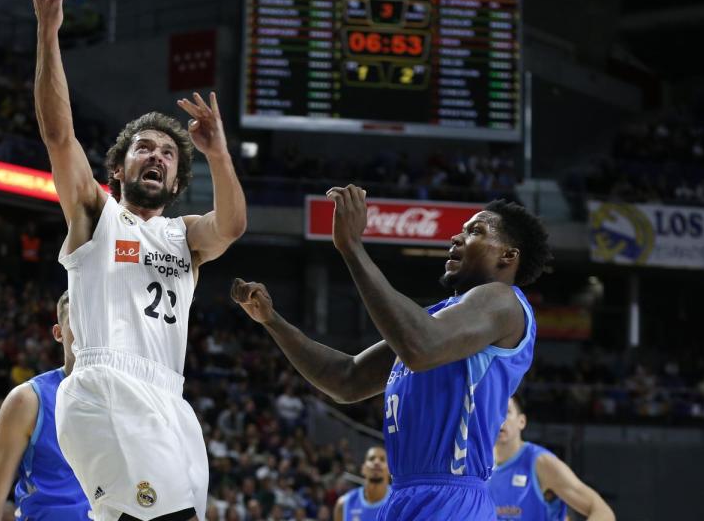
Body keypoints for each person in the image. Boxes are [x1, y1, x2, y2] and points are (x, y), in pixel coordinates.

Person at [21, 0, 247, 521]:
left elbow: (232, 226)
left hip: (169, 401)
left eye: (169, 153)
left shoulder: (184, 237)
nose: (158, 155)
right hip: (105, 386)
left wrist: (218, 153)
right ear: (118, 169)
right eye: (145, 147)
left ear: (175, 180)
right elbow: (57, 133)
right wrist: (49, 28)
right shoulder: (97, 215)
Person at [232, 190, 551, 520]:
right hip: (403, 496)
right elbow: (347, 379)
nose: (457, 237)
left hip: (452, 499)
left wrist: (352, 248)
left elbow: (420, 347)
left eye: (475, 231)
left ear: (507, 256)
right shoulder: (438, 320)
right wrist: (273, 321)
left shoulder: (503, 301)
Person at [0, 291, 90, 521]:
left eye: (93, 319)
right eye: (76, 320)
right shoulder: (28, 400)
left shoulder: (125, 401)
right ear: (58, 333)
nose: (86, 328)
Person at [490, 397, 615, 521]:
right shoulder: (476, 466)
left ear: (521, 421)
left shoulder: (541, 463)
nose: (500, 419)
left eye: (506, 412)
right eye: (493, 412)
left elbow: (602, 511)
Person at [334, 447, 390, 521]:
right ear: (363, 468)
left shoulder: (400, 502)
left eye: (382, 459)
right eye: (371, 459)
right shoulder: (343, 504)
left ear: (390, 470)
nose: (376, 462)